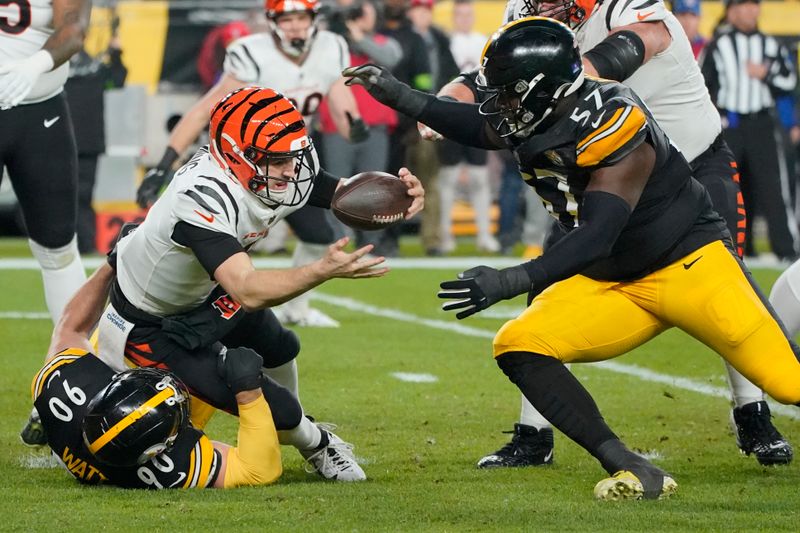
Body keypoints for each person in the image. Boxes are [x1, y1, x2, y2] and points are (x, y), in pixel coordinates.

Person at [344, 17, 800, 500]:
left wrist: (511, 279)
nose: (499, 103)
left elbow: (597, 235)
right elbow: (481, 127)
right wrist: (400, 95)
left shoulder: (614, 122)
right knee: (519, 343)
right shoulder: (539, 107)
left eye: (508, 93)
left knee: (787, 383)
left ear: (544, 90)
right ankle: (630, 467)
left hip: (687, 266)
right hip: (613, 282)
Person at [107, 86, 423, 482]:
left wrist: (399, 197)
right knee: (277, 410)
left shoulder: (268, 174)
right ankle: (315, 441)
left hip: (203, 292)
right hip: (154, 325)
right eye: (278, 160)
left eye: (293, 156)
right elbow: (247, 289)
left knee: (281, 346)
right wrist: (320, 270)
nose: (292, 170)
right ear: (239, 157)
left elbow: (340, 192)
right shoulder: (202, 198)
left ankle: (298, 421)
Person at [137, 0, 367, 329]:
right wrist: (163, 164)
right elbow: (204, 110)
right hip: (245, 167)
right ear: (272, 20)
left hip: (293, 166)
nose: (296, 26)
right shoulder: (251, 53)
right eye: (287, 19)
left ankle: (296, 311)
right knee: (224, 246)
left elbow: (347, 119)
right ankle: (188, 308)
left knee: (318, 235)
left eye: (301, 17)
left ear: (314, 18)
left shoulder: (332, 48)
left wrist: (359, 123)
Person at [33, 261, 292, 489]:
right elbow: (259, 471)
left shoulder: (57, 390)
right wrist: (248, 392)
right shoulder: (167, 468)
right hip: (89, 428)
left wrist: (111, 264)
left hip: (70, 419)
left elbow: (70, 326)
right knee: (202, 371)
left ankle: (40, 422)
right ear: (158, 451)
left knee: (113, 328)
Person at [1, 0, 92, 446]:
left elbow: (74, 29)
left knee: (58, 247)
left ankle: (71, 389)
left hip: (40, 111)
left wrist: (34, 64)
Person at [701, 0, 798, 262]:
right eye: (745, 5)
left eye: (754, 5)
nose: (751, 10)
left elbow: (789, 80)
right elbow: (703, 83)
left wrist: (765, 75)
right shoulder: (718, 45)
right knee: (730, 187)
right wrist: (717, 116)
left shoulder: (770, 44)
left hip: (761, 123)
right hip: (729, 124)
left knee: (772, 186)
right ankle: (734, 246)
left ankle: (786, 250)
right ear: (732, 11)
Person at [317, 0, 401, 247]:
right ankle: (341, 239)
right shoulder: (332, 48)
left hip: (376, 128)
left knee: (376, 186)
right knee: (337, 187)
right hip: (337, 127)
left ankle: (372, 240)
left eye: (364, 11)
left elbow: (390, 59)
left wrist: (359, 36)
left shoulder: (384, 43)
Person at [436, 0, 498, 254]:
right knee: (448, 178)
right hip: (451, 116)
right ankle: (445, 235)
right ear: (453, 17)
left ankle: (484, 235)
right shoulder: (446, 43)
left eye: (467, 14)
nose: (463, 19)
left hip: (476, 115)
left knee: (479, 178)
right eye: (459, 14)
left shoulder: (483, 41)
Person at [65, 37, 128, 254]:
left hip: (81, 143)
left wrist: (116, 53)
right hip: (74, 141)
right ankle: (74, 243)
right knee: (70, 195)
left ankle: (82, 243)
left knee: (79, 195)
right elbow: (117, 79)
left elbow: (118, 80)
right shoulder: (87, 69)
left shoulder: (92, 69)